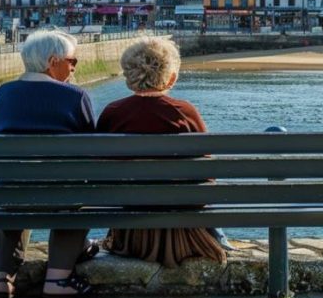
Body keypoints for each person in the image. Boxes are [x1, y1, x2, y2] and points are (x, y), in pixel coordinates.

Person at [0, 30, 98, 298]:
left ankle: (3, 279)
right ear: (52, 61)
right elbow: (92, 151)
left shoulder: (3, 94)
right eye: (72, 61)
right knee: (74, 197)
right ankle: (58, 279)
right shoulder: (75, 96)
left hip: (11, 195)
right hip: (61, 198)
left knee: (14, 186)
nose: (74, 67)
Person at [97, 38, 229, 268]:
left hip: (129, 224)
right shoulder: (184, 111)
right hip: (180, 225)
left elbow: (99, 168)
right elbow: (206, 173)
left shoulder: (113, 112)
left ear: (129, 76)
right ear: (172, 77)